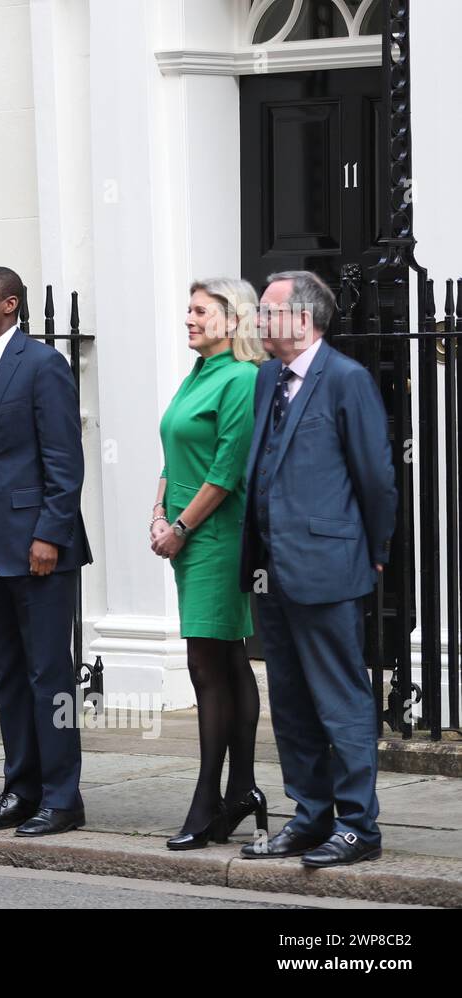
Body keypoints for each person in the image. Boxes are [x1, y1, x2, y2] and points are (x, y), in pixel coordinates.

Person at [238, 270, 396, 867]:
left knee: (341, 698)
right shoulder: (266, 379)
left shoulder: (346, 381)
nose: (258, 322)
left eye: (269, 312)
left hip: (328, 564)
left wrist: (373, 548)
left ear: (303, 320)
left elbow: (376, 478)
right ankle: (310, 816)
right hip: (270, 568)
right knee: (292, 699)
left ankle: (359, 826)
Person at [0, 266, 92, 837]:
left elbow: (65, 460)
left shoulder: (42, 365)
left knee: (48, 675)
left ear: (9, 305)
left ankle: (62, 798)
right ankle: (19, 789)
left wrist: (49, 535)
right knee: (6, 675)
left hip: (38, 549)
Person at [151, 278, 267, 850]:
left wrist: (180, 528)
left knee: (207, 662)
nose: (189, 318)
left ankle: (209, 798)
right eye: (188, 308)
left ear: (232, 318)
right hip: (185, 537)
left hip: (216, 537)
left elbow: (226, 472)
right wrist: (156, 511)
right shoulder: (197, 374)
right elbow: (175, 453)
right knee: (225, 659)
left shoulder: (243, 378)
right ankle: (241, 791)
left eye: (200, 310)